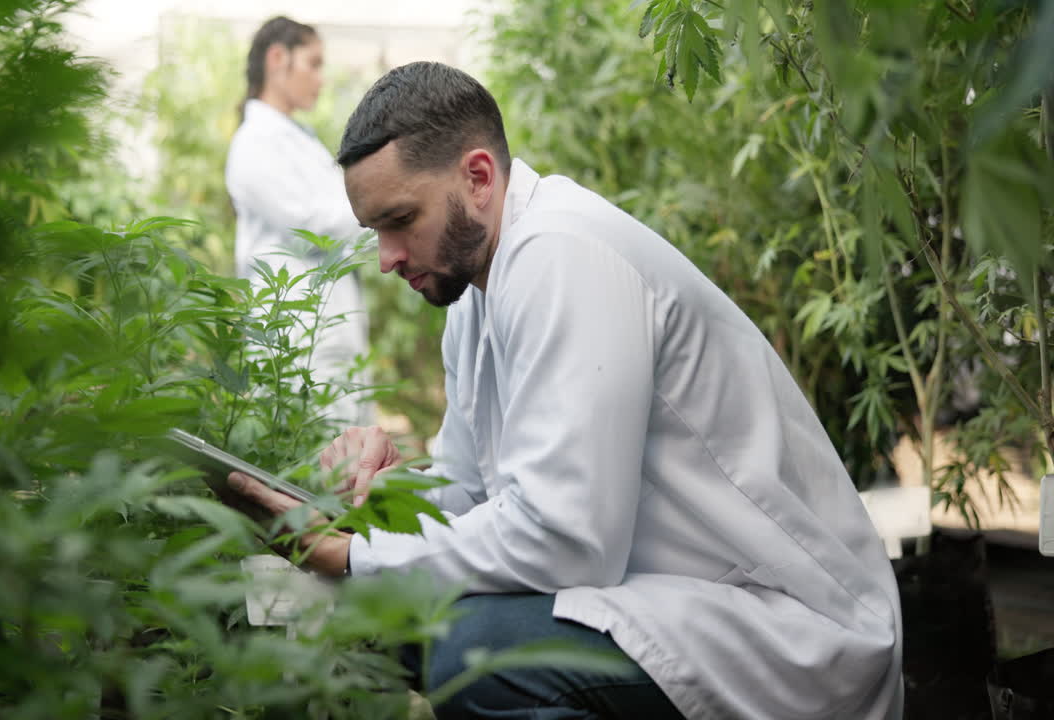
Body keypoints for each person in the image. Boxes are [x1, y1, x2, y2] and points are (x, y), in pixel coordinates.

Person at [226, 61, 903, 719]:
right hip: (672, 599)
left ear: (479, 177)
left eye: (401, 220)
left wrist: (353, 557)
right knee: (403, 618)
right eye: (377, 231)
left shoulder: (562, 253)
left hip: (791, 628)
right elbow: (472, 491)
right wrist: (385, 490)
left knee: (476, 652)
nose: (386, 258)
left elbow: (566, 536)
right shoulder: (476, 296)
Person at [225, 16, 370, 425]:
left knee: (350, 463)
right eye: (314, 64)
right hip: (297, 336)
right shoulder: (254, 143)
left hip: (331, 329)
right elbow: (314, 225)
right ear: (277, 58)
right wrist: (383, 213)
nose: (321, 79)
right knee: (313, 466)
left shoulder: (296, 139)